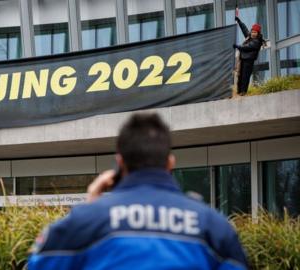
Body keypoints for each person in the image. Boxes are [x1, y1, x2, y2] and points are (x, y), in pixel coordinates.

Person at [28, 113, 248, 269]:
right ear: (170, 163)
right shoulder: (213, 226)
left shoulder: (85, 221)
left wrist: (91, 206)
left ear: (120, 162)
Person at [233, 16, 265, 96]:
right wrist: (239, 21)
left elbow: (247, 47)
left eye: (255, 32)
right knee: (240, 76)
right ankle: (239, 91)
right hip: (243, 59)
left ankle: (243, 92)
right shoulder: (249, 37)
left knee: (245, 76)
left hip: (248, 61)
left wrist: (238, 46)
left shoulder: (257, 41)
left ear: (258, 33)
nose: (253, 34)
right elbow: (244, 29)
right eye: (252, 32)